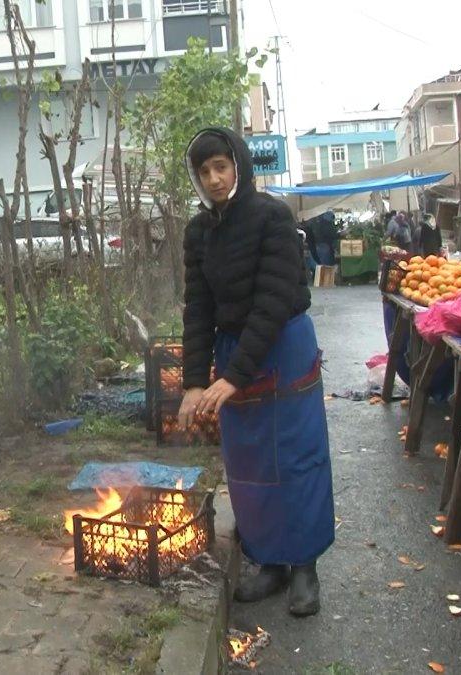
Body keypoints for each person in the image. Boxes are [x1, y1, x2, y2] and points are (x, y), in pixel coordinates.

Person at [178, 127, 334, 618]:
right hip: (233, 349)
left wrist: (234, 375)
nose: (214, 179)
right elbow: (198, 309)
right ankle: (268, 560)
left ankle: (303, 564)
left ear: (238, 165)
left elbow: (274, 300)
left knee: (295, 456)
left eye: (221, 167)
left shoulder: (272, 217)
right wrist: (194, 381)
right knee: (249, 464)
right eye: (204, 172)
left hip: (283, 344)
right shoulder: (198, 233)